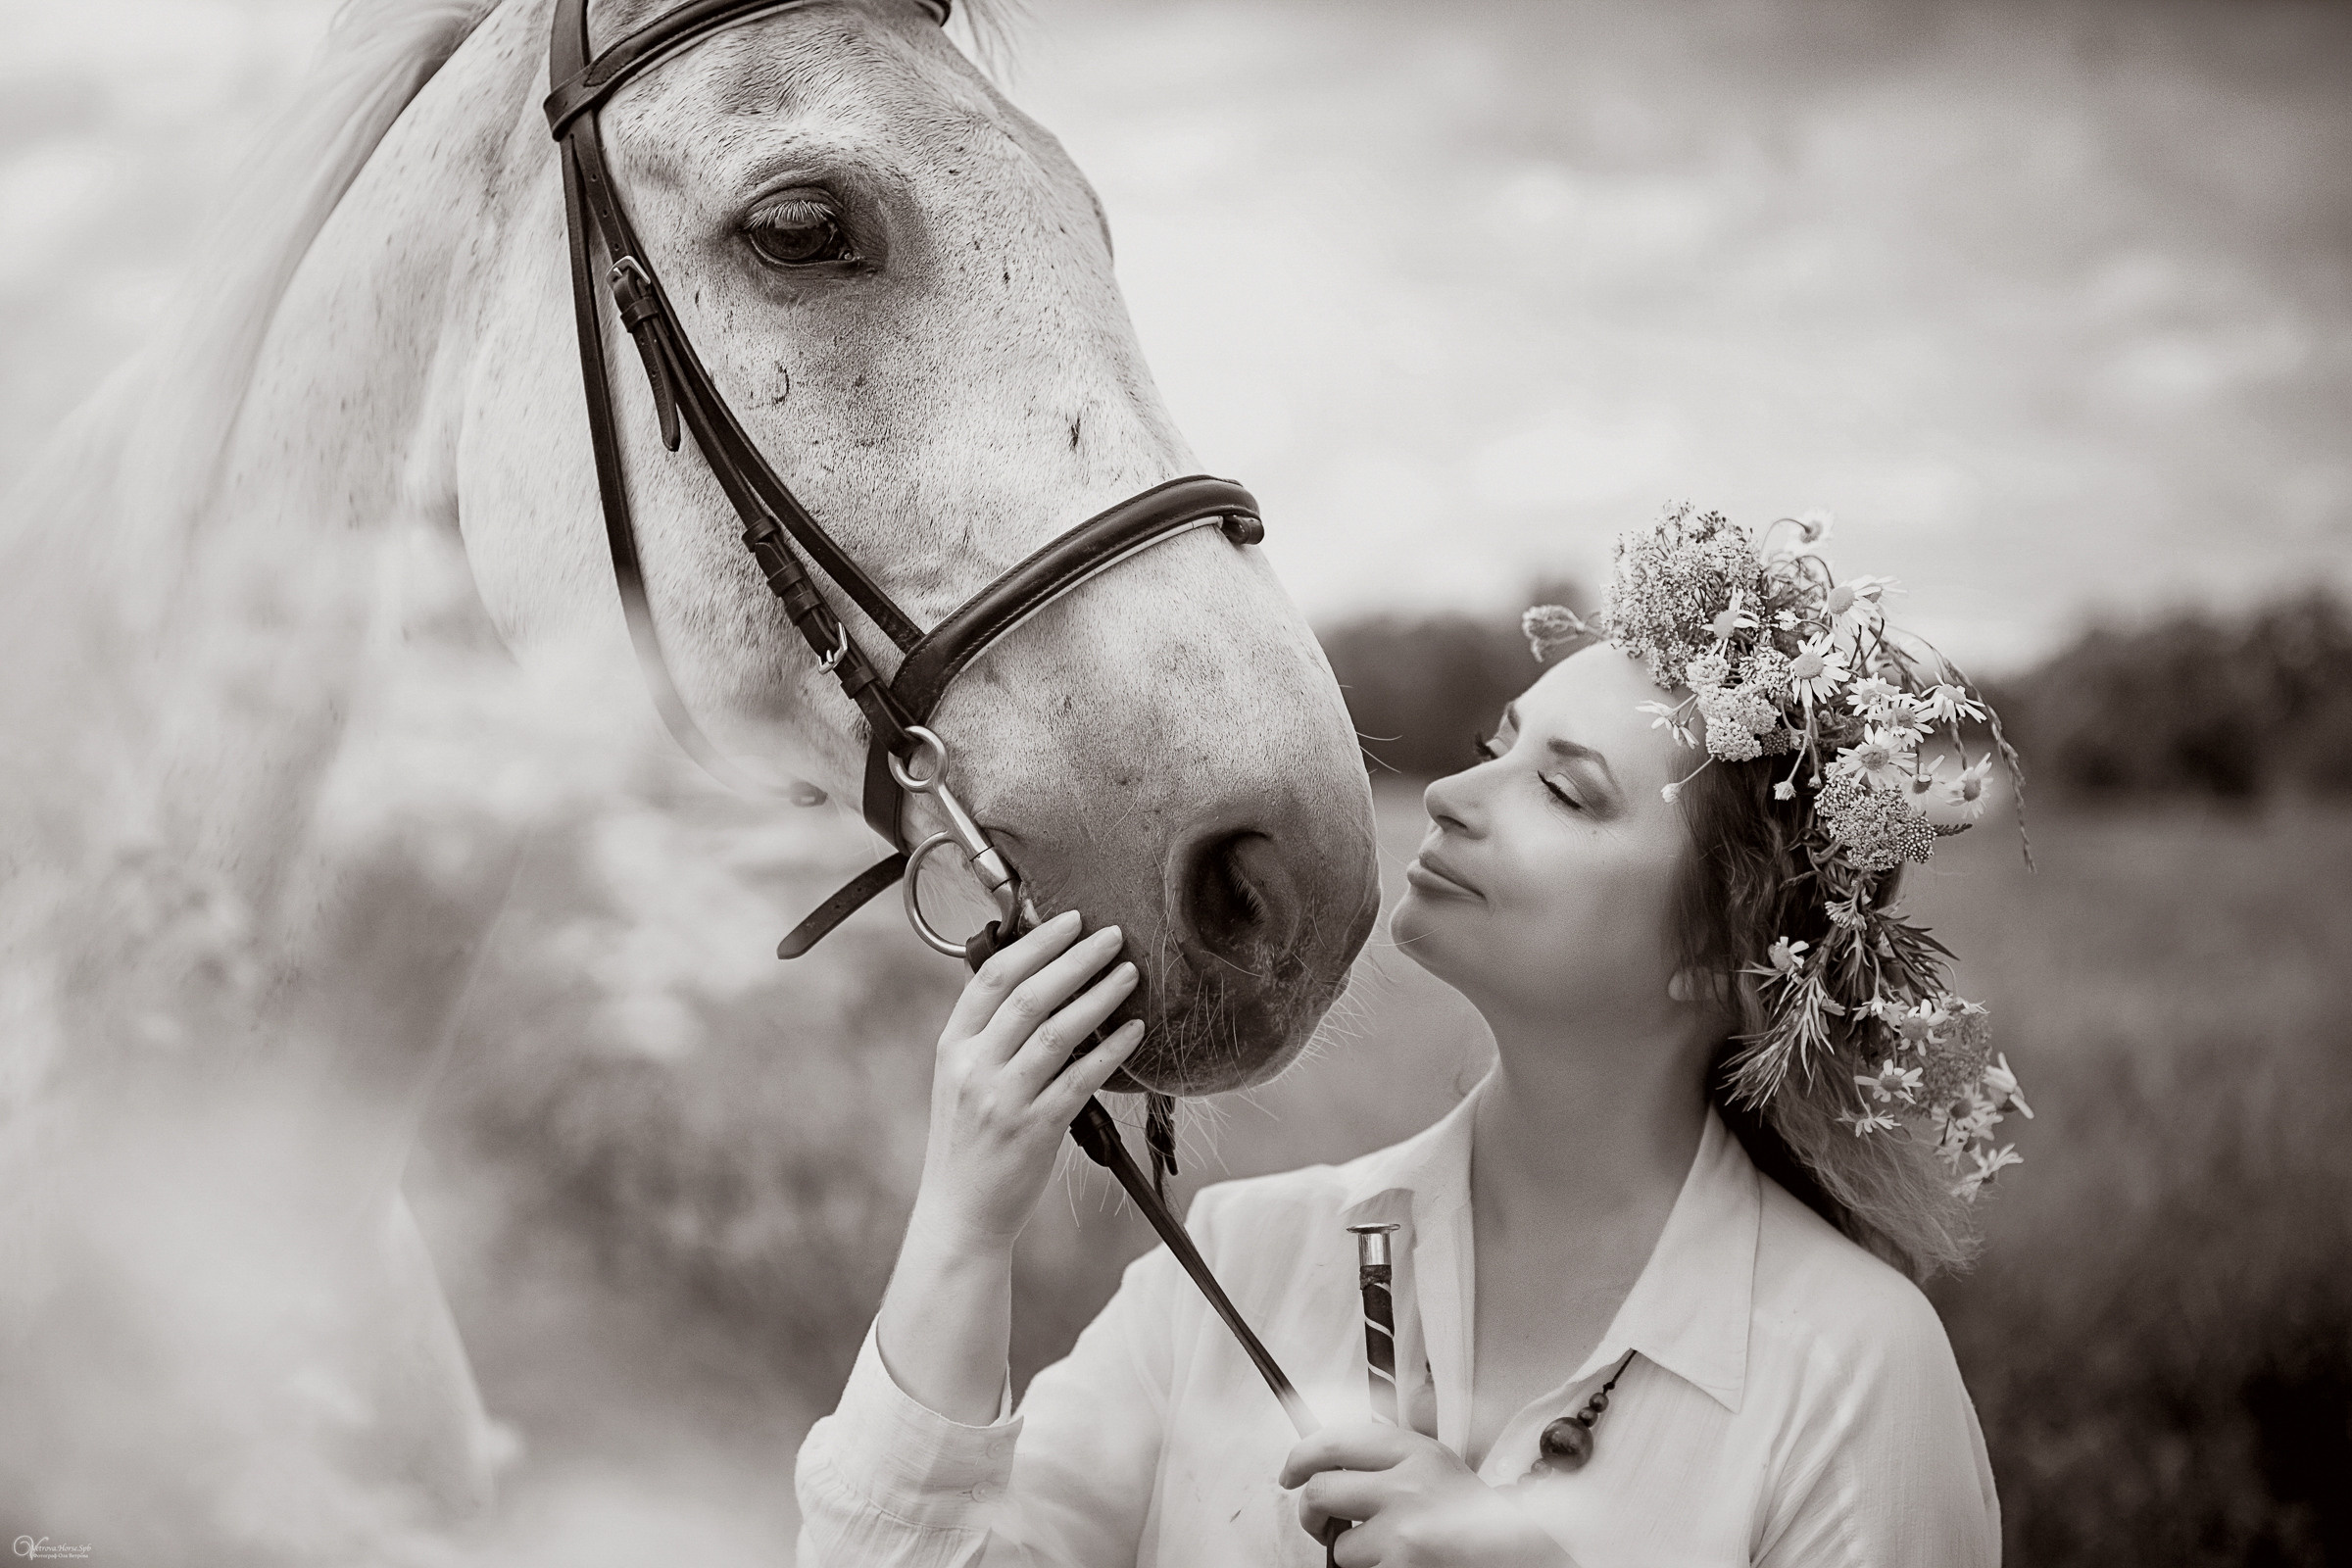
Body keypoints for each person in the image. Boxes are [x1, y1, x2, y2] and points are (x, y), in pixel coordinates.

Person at [796, 505, 2025, 1566]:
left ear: (1723, 946)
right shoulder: (1243, 1260)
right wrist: (963, 1224)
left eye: (1563, 790)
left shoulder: (1854, 1369)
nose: (1446, 796)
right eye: (1498, 748)